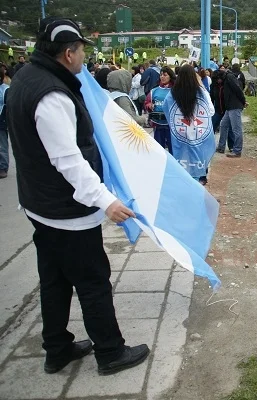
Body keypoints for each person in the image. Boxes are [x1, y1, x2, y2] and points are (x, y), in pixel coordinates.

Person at [5, 16, 149, 375]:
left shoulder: (25, 77)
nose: (84, 56)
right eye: (82, 49)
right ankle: (110, 352)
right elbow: (69, 161)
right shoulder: (52, 94)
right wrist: (107, 201)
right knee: (92, 281)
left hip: (39, 205)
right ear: (69, 53)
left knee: (54, 279)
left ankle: (57, 348)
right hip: (66, 211)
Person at [163, 64, 215, 185]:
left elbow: (166, 107)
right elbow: (210, 111)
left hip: (180, 131)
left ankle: (184, 184)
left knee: (181, 156)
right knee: (197, 157)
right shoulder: (201, 92)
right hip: (197, 131)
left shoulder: (173, 93)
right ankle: (197, 181)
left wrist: (173, 121)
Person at [145, 66, 176, 154]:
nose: (162, 77)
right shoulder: (154, 91)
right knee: (159, 150)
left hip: (171, 126)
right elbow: (146, 103)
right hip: (158, 124)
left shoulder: (175, 90)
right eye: (161, 75)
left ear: (170, 76)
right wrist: (149, 105)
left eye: (165, 75)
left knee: (172, 149)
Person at [219, 69, 248, 157]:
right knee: (223, 125)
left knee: (236, 129)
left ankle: (237, 150)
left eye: (218, 80)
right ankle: (221, 146)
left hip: (234, 106)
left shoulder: (229, 78)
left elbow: (238, 89)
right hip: (230, 107)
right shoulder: (227, 78)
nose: (218, 82)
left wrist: (243, 101)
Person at [0, 68, 9, 179]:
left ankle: (2, 167)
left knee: (2, 145)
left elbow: (9, 107)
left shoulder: (6, 90)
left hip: (1, 121)